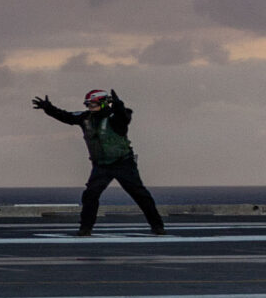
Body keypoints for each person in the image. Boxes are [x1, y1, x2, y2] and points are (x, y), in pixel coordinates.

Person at [32, 87, 166, 236]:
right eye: (89, 104)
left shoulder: (115, 118)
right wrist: (48, 108)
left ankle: (157, 226)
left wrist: (118, 104)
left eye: (93, 104)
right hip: (101, 165)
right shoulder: (85, 117)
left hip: (123, 163)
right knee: (90, 195)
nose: (90, 107)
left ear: (104, 103)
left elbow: (124, 118)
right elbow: (66, 117)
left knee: (140, 195)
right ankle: (85, 228)